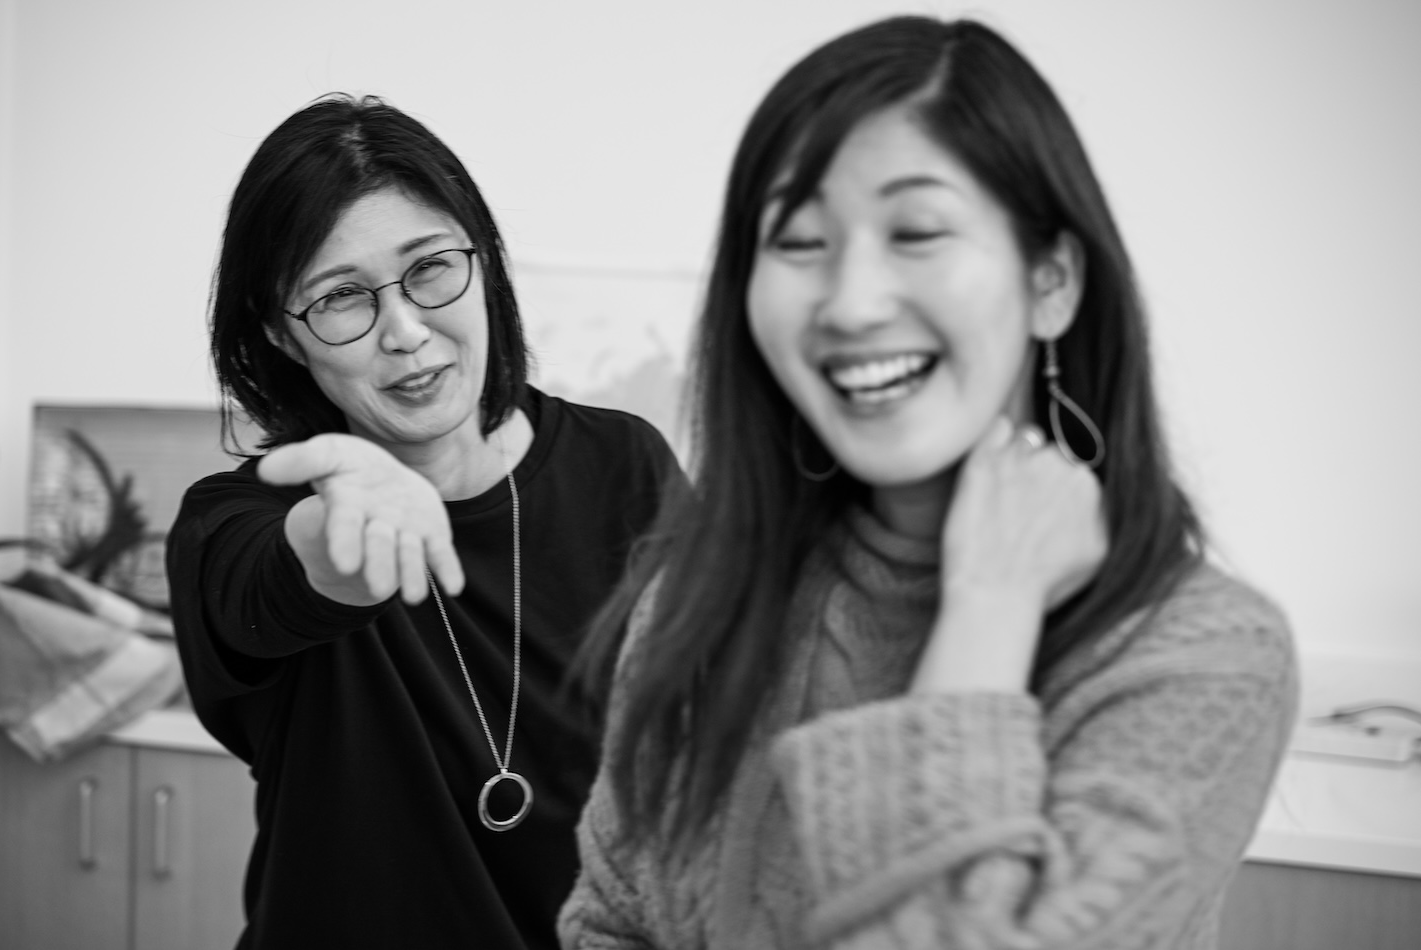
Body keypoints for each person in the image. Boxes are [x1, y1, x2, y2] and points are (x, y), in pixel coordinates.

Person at [559, 16, 1296, 950]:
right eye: (798, 241)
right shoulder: (698, 602)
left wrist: (989, 607)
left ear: (1051, 280)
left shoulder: (1201, 656)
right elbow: (609, 922)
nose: (851, 302)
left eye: (915, 232)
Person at [166, 94, 680, 950]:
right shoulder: (240, 520)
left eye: (431, 267)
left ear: (485, 262)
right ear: (284, 337)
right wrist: (341, 541)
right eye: (341, 297)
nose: (404, 331)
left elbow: (704, 736)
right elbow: (270, 585)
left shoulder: (624, 465)